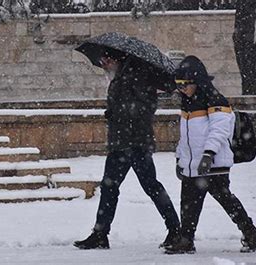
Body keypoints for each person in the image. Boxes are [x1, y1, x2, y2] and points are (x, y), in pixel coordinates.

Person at [74, 50, 181, 250]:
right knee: (111, 187)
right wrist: (114, 111)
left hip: (135, 143)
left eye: (107, 60)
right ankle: (100, 233)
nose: (104, 64)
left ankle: (175, 229)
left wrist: (119, 111)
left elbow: (145, 108)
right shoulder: (122, 77)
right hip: (122, 143)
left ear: (117, 59)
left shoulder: (136, 76)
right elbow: (129, 107)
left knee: (148, 186)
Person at [164, 55, 256, 254]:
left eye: (185, 84)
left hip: (214, 163)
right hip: (192, 165)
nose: (182, 89)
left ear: (197, 81)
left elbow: (219, 130)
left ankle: (249, 230)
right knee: (188, 203)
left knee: (226, 200)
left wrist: (208, 155)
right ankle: (186, 239)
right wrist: (180, 159)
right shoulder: (187, 104)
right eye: (178, 84)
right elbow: (186, 137)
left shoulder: (215, 100)